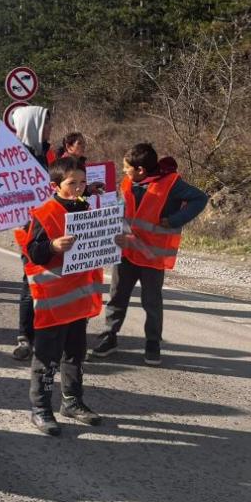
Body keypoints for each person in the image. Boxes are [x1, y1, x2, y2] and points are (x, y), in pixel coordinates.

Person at [16, 156, 118, 436]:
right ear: (55, 185)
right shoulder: (44, 213)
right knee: (47, 356)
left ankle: (72, 401)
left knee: (75, 354)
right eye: (72, 183)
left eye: (82, 182)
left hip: (78, 300)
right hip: (52, 301)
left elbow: (97, 244)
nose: (78, 188)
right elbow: (32, 252)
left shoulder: (86, 208)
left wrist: (114, 239)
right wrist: (52, 245)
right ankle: (40, 409)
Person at [89, 143, 208, 365]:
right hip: (126, 252)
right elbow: (119, 208)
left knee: (151, 301)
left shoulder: (172, 183)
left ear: (141, 170)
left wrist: (175, 220)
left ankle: (152, 343)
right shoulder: (128, 182)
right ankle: (109, 337)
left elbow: (200, 198)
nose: (124, 171)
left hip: (152, 255)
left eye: (127, 167)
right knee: (117, 296)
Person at [9, 104, 54, 361]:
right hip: (29, 230)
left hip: (47, 226)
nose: (50, 129)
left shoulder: (42, 153)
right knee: (30, 281)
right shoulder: (18, 156)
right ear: (33, 126)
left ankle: (42, 331)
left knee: (44, 280)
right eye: (46, 124)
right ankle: (24, 336)